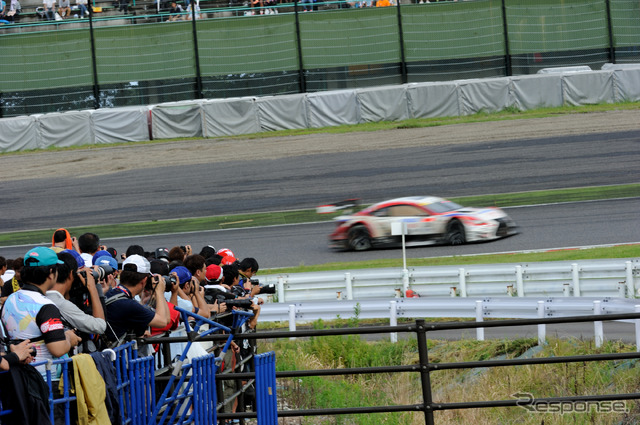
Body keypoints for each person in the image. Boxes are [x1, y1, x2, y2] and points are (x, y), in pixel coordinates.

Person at [1, 247, 82, 379]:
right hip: (44, 380)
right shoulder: (45, 306)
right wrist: (69, 338)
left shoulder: (11, 299)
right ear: (51, 272)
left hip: (16, 378)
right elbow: (58, 349)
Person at [45, 251, 107, 353]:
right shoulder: (62, 304)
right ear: (71, 274)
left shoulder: (40, 296)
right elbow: (100, 326)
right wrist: (93, 288)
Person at [104, 254, 171, 344]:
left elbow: (166, 320)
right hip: (116, 355)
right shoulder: (129, 305)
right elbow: (163, 321)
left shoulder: (111, 293)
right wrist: (159, 292)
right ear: (144, 281)